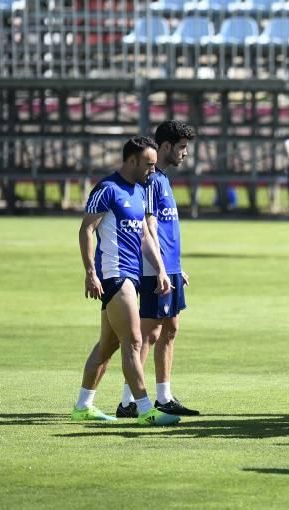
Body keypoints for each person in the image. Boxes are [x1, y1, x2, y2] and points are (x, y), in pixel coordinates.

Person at [72, 137, 179, 426]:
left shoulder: (141, 191)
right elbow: (86, 230)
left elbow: (145, 235)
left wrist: (159, 269)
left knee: (107, 346)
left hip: (132, 274)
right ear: (132, 161)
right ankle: (145, 410)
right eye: (148, 164)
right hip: (114, 275)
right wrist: (90, 273)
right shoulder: (107, 189)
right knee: (134, 340)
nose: (152, 171)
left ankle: (83, 405)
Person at [114, 121, 198, 418]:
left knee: (170, 329)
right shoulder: (149, 180)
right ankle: (129, 402)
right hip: (153, 268)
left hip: (169, 266)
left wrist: (176, 267)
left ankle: (163, 396)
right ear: (166, 147)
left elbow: (164, 228)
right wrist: (160, 268)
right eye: (182, 147)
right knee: (148, 334)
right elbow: (146, 228)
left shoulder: (162, 178)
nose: (185, 153)